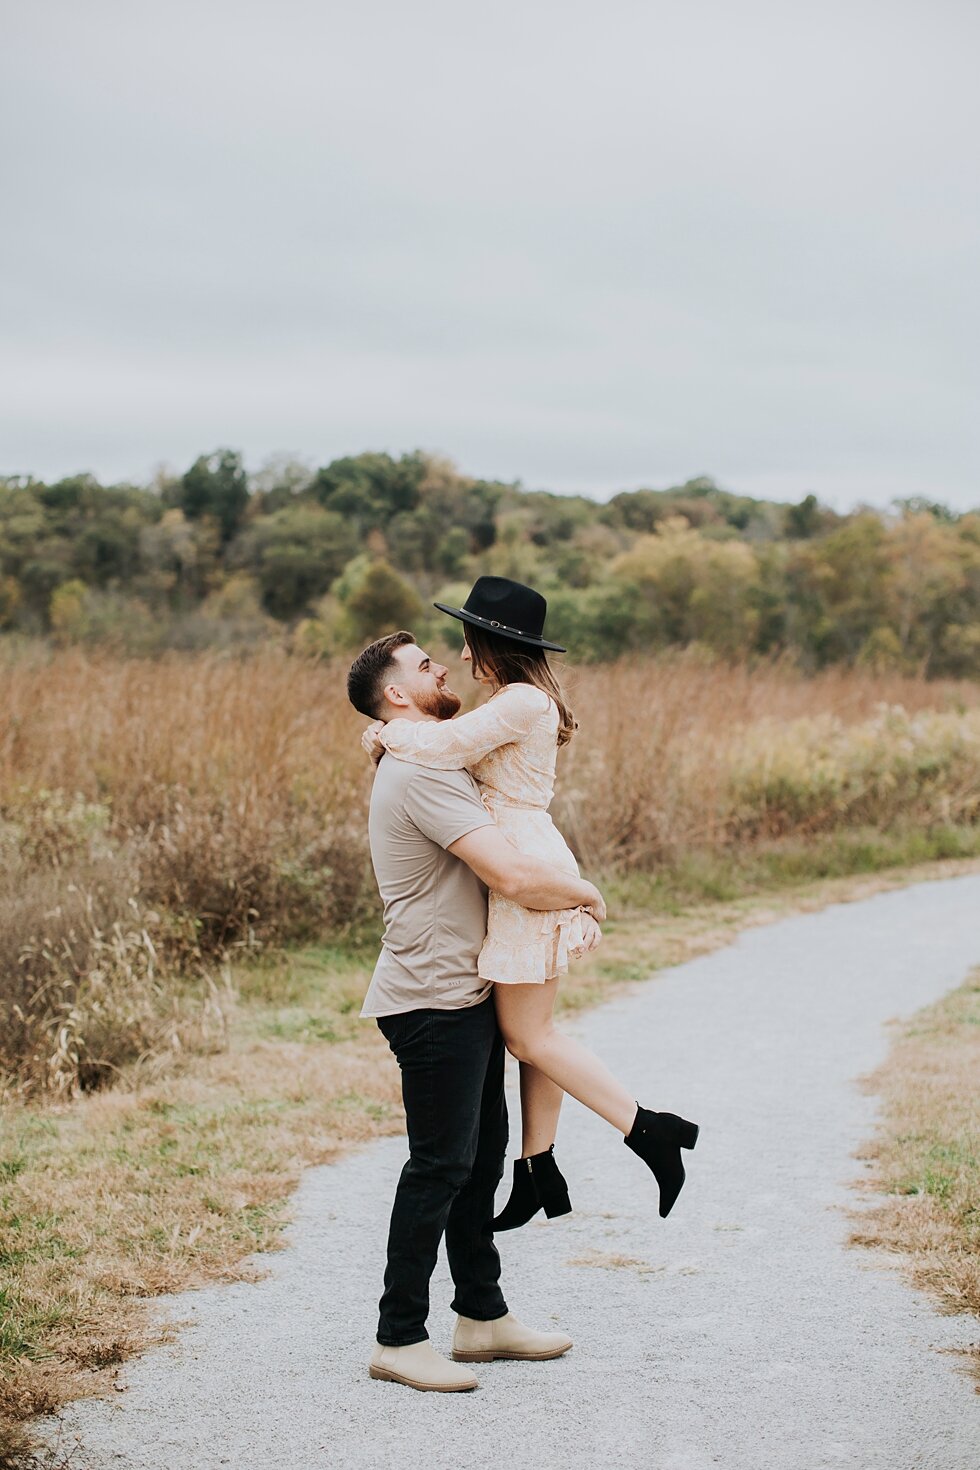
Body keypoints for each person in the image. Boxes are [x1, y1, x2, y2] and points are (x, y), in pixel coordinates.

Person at [361, 576, 700, 1234]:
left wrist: (383, 731)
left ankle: (649, 1130)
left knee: (528, 1034)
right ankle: (538, 1170)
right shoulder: (520, 700)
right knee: (534, 1038)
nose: (460, 658)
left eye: (466, 644)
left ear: (493, 645)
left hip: (525, 868)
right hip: (529, 856)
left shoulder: (520, 701)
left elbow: (446, 744)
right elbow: (450, 744)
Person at [347, 628, 607, 1392]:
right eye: (425, 666)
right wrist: (586, 894)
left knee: (479, 1158)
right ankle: (398, 1337)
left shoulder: (436, 752)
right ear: (397, 694)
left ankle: (482, 1318)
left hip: (463, 987)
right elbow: (509, 874)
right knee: (440, 1164)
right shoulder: (420, 770)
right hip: (430, 996)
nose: (445, 667)